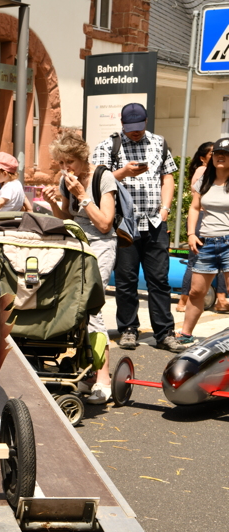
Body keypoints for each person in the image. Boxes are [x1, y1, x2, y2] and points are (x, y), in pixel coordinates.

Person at [91, 103, 184, 352]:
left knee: (159, 280)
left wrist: (165, 210)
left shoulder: (159, 143)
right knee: (126, 280)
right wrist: (122, 173)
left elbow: (168, 177)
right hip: (123, 224)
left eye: (139, 127)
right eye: (129, 128)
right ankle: (128, 329)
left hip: (154, 222)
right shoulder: (108, 146)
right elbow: (97, 180)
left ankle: (164, 332)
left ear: (145, 121)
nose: (135, 132)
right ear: (121, 123)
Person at [43, 131, 118, 404]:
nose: (65, 168)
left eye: (69, 162)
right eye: (61, 163)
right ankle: (84, 370)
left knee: (93, 307)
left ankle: (103, 378)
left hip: (101, 245)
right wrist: (54, 201)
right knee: (74, 308)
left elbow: (105, 223)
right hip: (76, 243)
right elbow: (66, 217)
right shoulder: (66, 181)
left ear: (83, 158)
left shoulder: (103, 177)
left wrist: (83, 195)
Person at [177, 138, 229, 345]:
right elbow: (194, 208)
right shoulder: (204, 180)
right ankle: (185, 334)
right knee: (196, 291)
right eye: (217, 153)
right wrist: (191, 234)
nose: (221, 157)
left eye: (225, 153)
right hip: (206, 242)